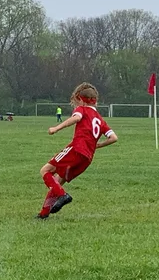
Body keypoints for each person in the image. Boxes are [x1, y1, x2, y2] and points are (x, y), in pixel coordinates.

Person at [36, 82, 118, 219]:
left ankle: (62, 195)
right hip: (87, 158)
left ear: (81, 100)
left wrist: (56, 128)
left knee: (45, 171)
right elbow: (114, 138)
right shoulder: (100, 119)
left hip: (76, 149)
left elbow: (77, 118)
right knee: (58, 181)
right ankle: (44, 214)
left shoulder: (82, 109)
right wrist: (97, 145)